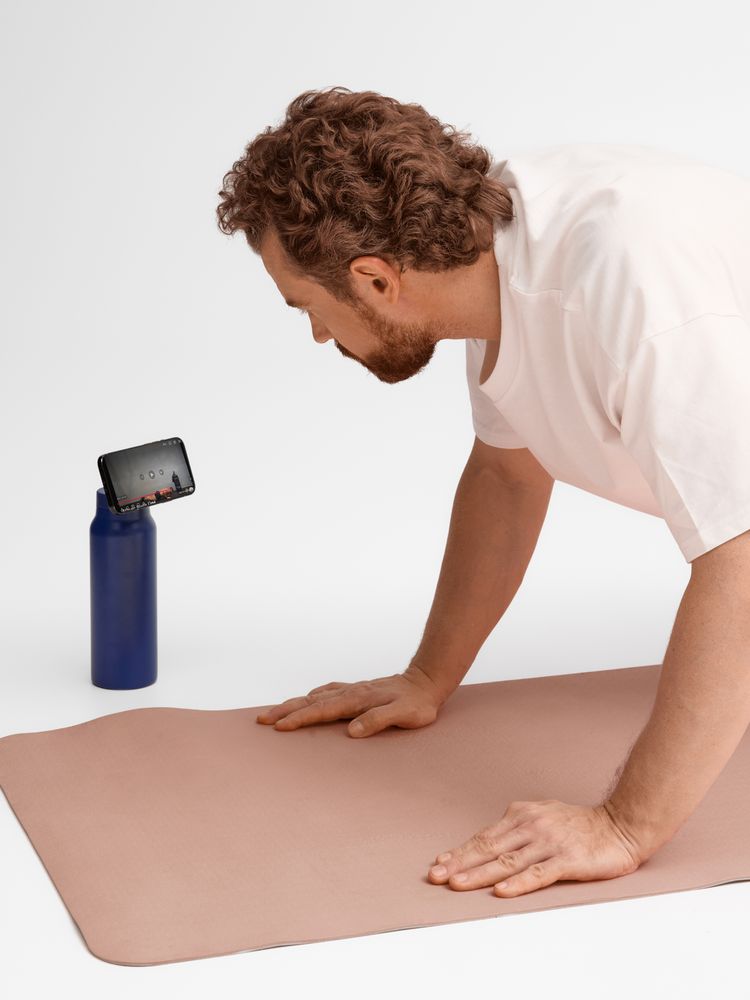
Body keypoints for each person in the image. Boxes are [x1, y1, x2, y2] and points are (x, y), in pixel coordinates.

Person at [215, 86, 750, 899]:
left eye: (308, 308)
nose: (319, 334)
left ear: (374, 279)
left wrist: (625, 824)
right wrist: (428, 676)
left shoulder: (628, 287)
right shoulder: (485, 253)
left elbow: (742, 558)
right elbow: (507, 473)